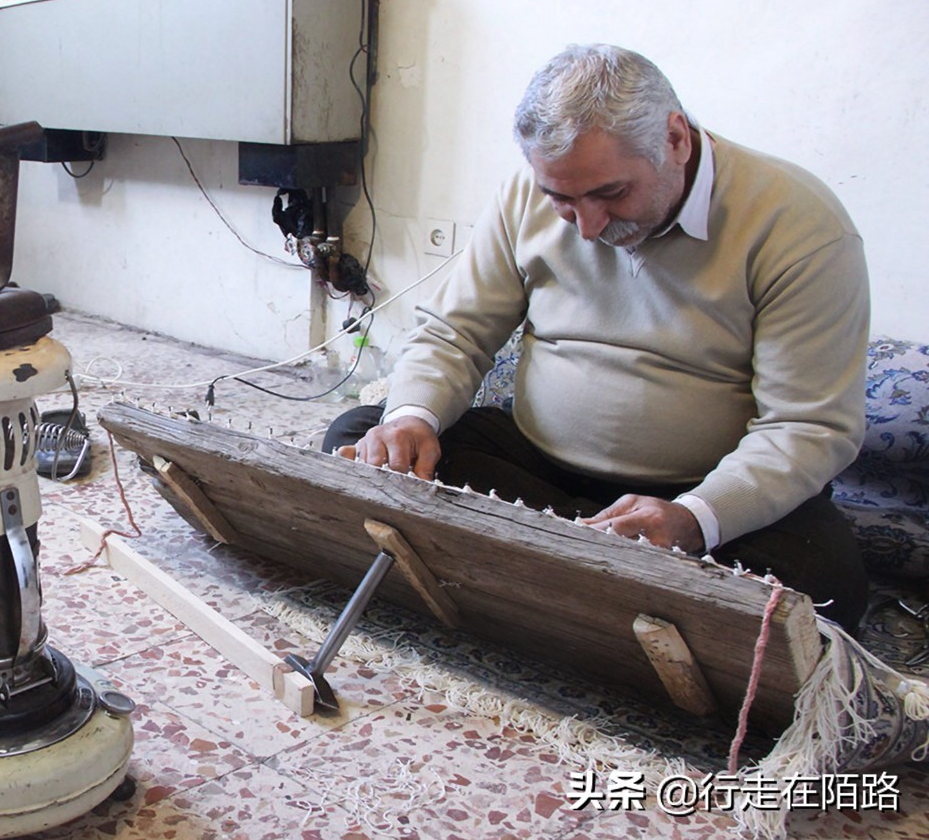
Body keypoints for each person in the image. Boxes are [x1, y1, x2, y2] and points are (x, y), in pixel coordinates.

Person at [324, 44, 870, 628]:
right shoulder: (524, 195)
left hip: (695, 493)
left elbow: (806, 426)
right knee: (362, 438)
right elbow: (456, 331)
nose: (588, 226)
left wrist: (694, 518)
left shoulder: (800, 224)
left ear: (676, 140)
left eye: (611, 194)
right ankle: (591, 580)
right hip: (537, 471)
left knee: (823, 581)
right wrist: (411, 420)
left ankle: (526, 575)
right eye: (562, 199)